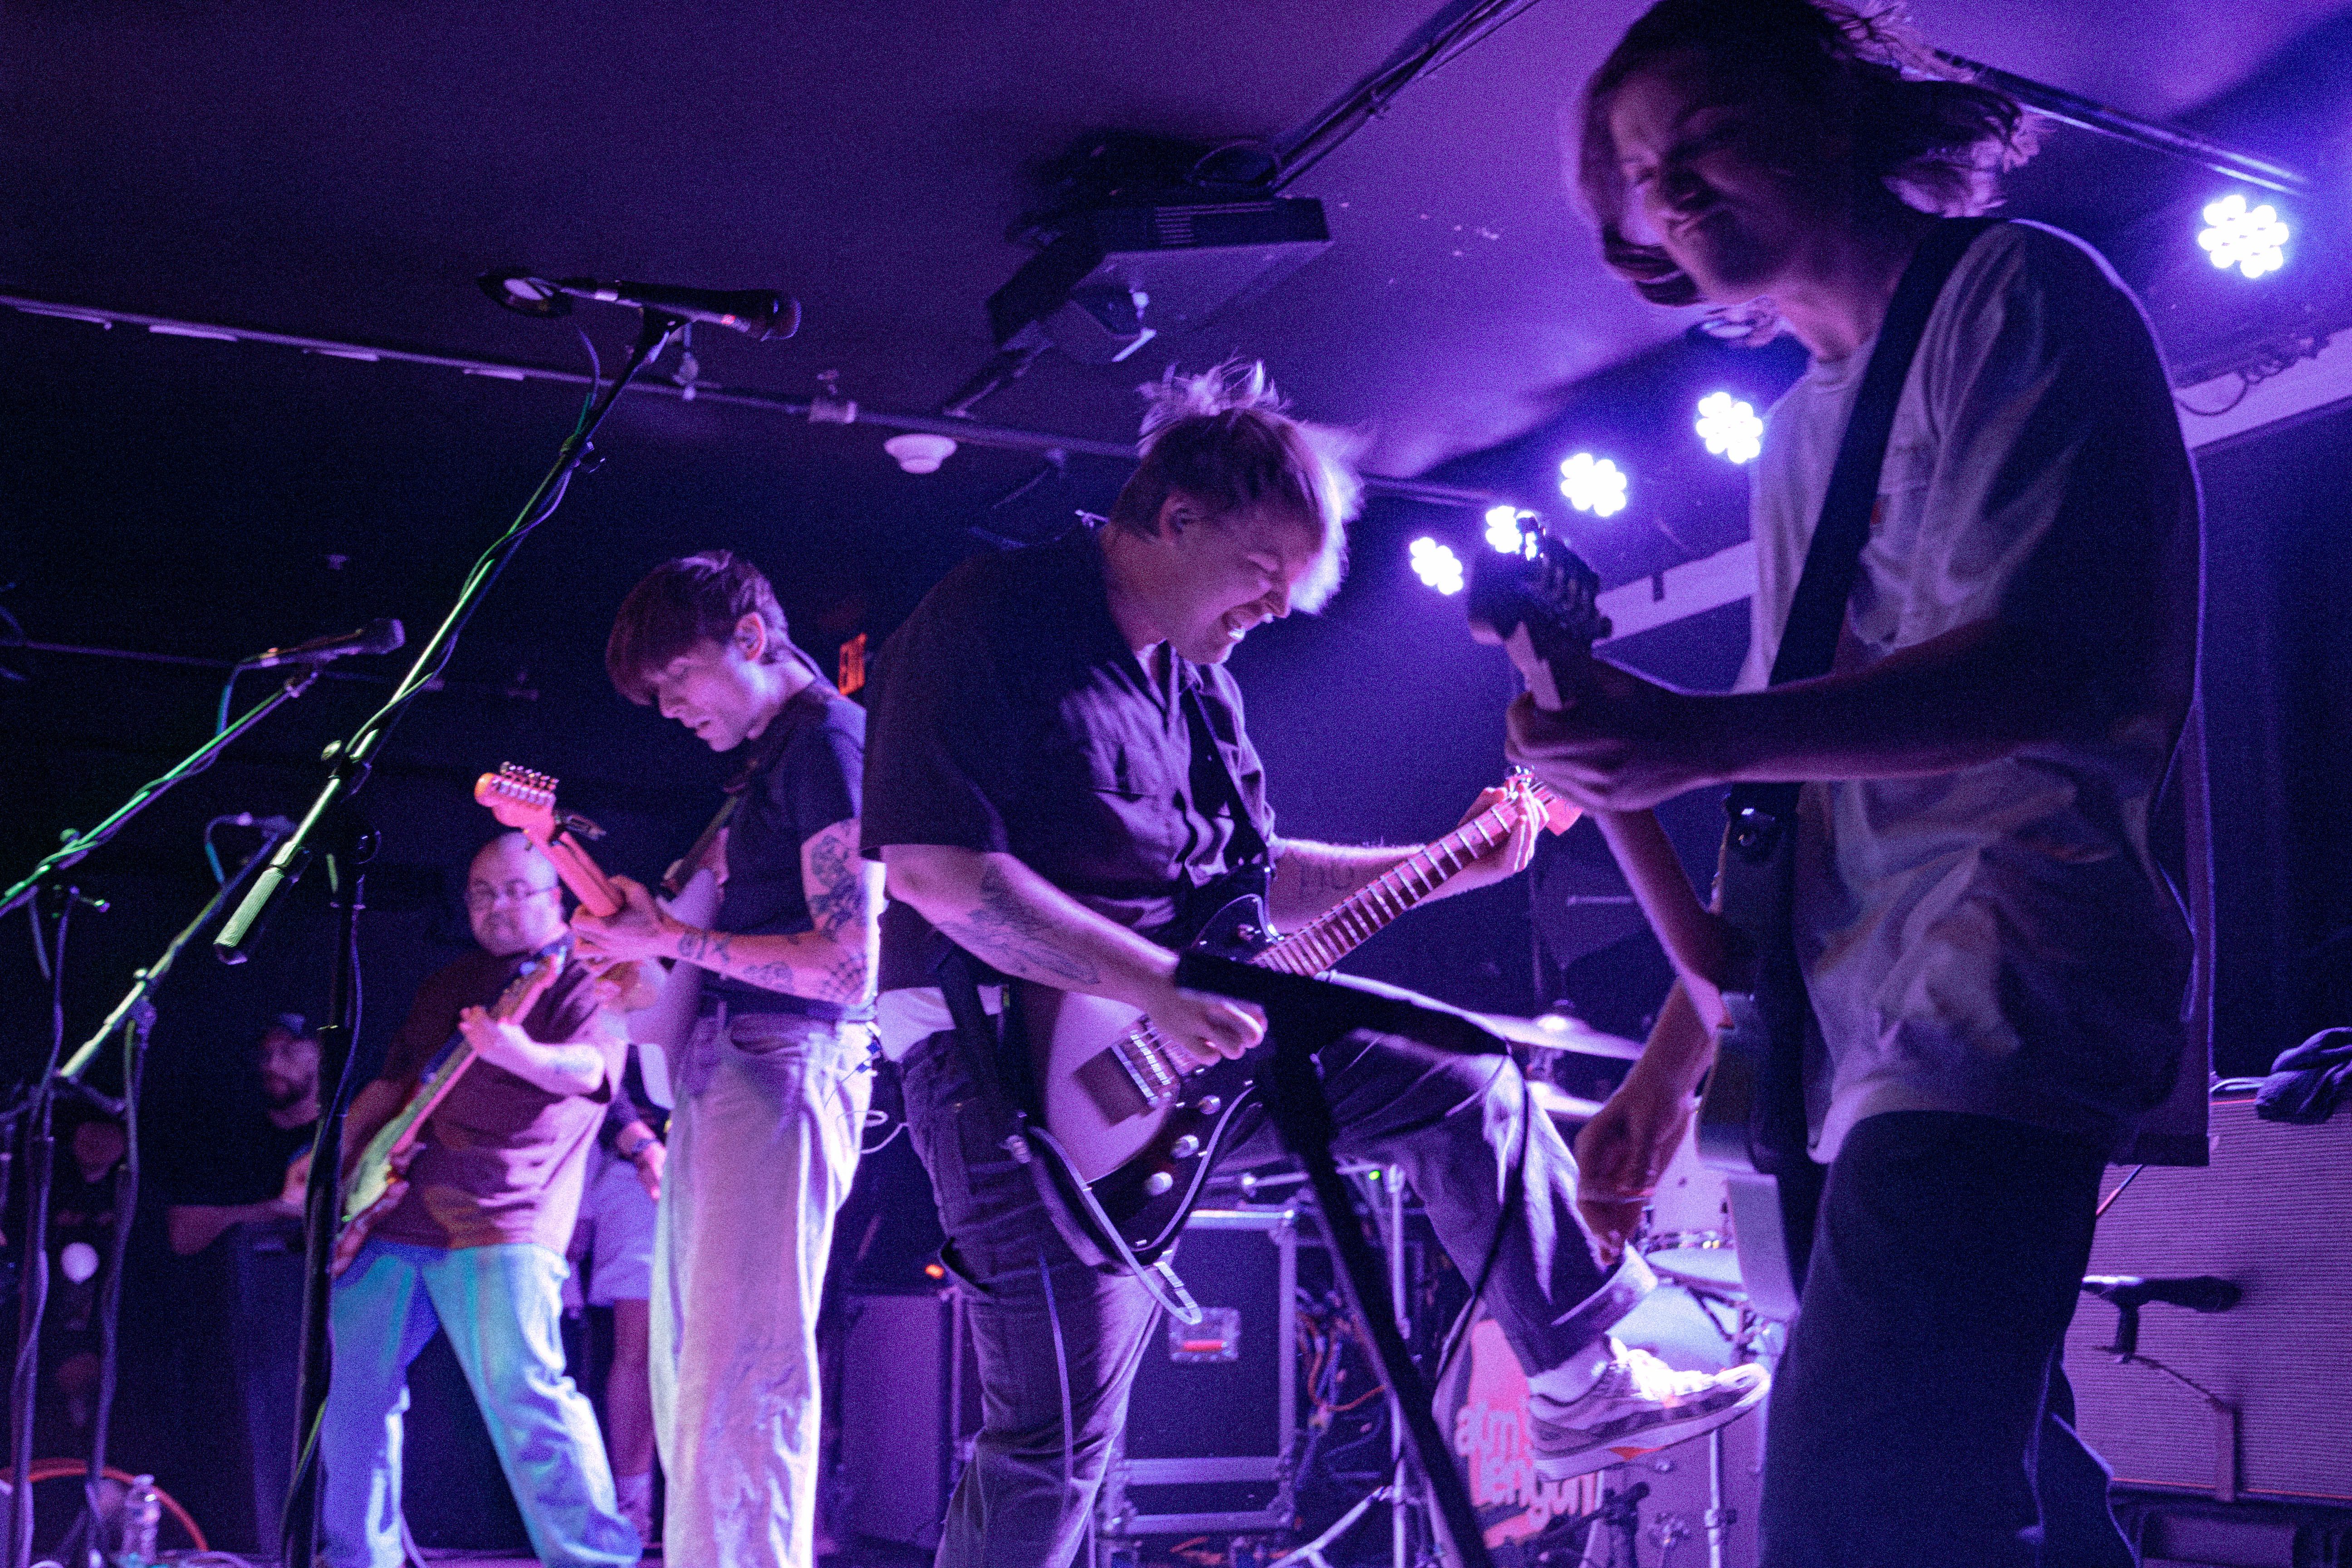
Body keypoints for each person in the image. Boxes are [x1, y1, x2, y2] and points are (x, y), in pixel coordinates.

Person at [858, 363, 1769, 1568]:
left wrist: (1450, 863)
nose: (1276, 609)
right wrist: (1151, 986)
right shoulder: (993, 620)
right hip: (1003, 1079)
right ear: (1174, 516)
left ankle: (1580, 1376)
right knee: (1053, 1448)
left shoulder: (1205, 691)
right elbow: (937, 873)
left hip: (1191, 1045)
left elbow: (1252, 879)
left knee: (1459, 1075)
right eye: (1259, 574)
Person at [1510, 4, 2202, 1564]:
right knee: (1992, 1484)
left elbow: (2044, 667)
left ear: (1832, 110)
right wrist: (1673, 1059)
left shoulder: (2019, 294)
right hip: (1847, 1028)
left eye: (1700, 139)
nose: (1667, 193)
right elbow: (1792, 797)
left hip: (1999, 975)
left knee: (1857, 1508)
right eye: (1633, 172)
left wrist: (1691, 736)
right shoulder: (1789, 437)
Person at [571, 550, 884, 1568]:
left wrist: (671, 944)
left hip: (788, 1066)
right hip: (739, 1068)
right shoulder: (772, 763)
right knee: (697, 1377)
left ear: (749, 639)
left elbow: (850, 966)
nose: (669, 711)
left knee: (744, 1377)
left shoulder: (829, 745)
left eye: (676, 681)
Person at [320, 833, 639, 1568]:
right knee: (351, 1403)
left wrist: (514, 1053)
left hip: (504, 1218)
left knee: (527, 1399)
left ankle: (595, 1559)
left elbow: (592, 1069)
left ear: (553, 895)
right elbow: (389, 1086)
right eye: (480, 892)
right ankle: (355, 1556)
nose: (496, 906)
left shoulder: (589, 973)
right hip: (393, 1215)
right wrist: (329, 1155)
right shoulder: (449, 981)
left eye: (515, 890)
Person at [564, 1052, 666, 1542]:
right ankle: (634, 1503)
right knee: (640, 1348)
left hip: (726, 1157)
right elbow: (598, 1086)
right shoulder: (615, 990)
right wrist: (580, 1204)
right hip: (635, 1175)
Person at [166, 1014, 320, 1257]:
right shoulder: (226, 1136)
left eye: (288, 1052)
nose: (272, 1066)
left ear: (324, 1056)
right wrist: (272, 1210)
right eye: (265, 1055)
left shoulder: (347, 1127)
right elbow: (182, 1236)